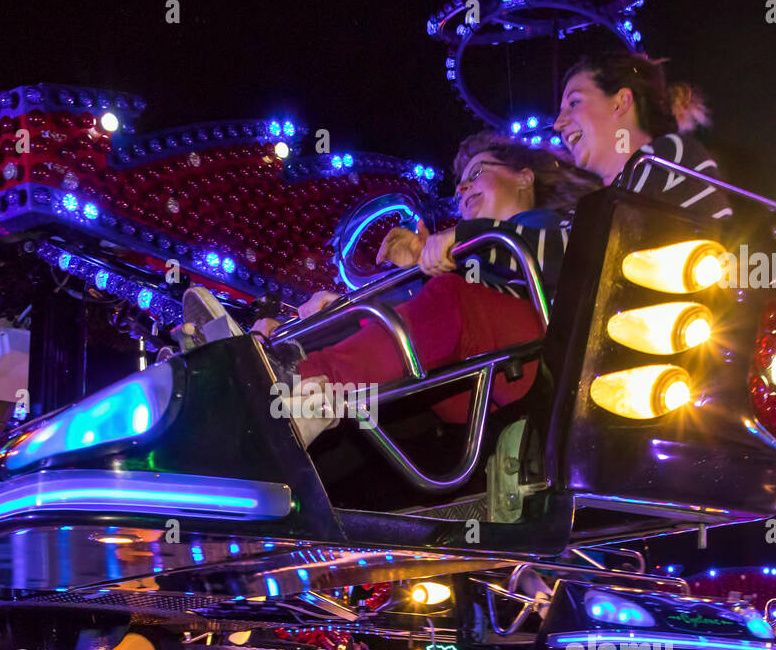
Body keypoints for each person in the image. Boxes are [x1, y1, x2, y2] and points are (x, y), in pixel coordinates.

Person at [182, 53, 729, 447]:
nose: (560, 121)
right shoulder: (589, 208)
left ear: (623, 101)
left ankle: (299, 392)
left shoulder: (669, 163)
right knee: (379, 307)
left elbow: (583, 257)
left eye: (574, 103)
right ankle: (257, 355)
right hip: (507, 368)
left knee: (450, 298)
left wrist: (459, 244)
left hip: (585, 362)